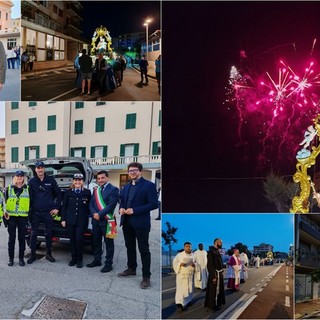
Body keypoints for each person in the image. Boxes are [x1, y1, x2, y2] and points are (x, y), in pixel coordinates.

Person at [118, 162, 158, 289]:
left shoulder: (148, 186)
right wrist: (121, 208)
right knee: (129, 246)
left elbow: (153, 204)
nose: (132, 172)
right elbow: (122, 202)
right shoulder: (126, 187)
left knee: (144, 250)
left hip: (141, 223)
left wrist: (135, 210)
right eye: (130, 171)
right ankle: (131, 268)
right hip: (127, 222)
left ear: (140, 171)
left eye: (135, 170)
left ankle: (146, 276)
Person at [27, 161, 63, 264]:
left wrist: (57, 208)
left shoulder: (51, 180)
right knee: (33, 234)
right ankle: (33, 255)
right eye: (38, 168)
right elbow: (27, 196)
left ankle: (48, 254)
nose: (40, 169)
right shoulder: (32, 182)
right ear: (36, 170)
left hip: (48, 213)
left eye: (42, 167)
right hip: (35, 213)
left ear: (44, 169)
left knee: (48, 233)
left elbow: (59, 194)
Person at [87, 170, 119, 273]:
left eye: (102, 178)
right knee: (96, 241)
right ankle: (97, 260)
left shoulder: (114, 189)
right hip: (96, 221)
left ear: (107, 178)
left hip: (109, 221)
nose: (100, 180)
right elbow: (91, 203)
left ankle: (108, 264)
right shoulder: (96, 189)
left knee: (109, 243)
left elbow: (111, 205)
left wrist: (99, 214)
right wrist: (94, 214)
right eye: (99, 178)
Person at [61, 173, 91, 268]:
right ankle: (73, 258)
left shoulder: (87, 192)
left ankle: (79, 259)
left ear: (82, 181)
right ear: (73, 181)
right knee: (72, 240)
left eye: (80, 180)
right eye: (76, 180)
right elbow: (64, 206)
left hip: (81, 221)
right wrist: (63, 219)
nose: (78, 182)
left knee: (79, 239)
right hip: (70, 220)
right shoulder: (68, 192)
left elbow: (90, 206)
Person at [4, 170, 30, 266]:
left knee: (21, 238)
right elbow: (5, 204)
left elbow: (31, 203)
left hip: (23, 217)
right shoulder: (9, 188)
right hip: (11, 218)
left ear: (23, 178)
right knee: (11, 238)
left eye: (21, 176)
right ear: (15, 177)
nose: (19, 178)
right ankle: (11, 259)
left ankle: (21, 259)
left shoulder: (28, 189)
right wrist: (5, 217)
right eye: (18, 176)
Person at [204, 238, 226, 310]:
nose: (221, 244)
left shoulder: (217, 251)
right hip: (215, 274)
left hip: (219, 273)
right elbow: (210, 265)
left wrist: (221, 269)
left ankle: (218, 303)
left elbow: (219, 262)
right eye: (220, 242)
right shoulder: (211, 252)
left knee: (219, 289)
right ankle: (213, 305)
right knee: (213, 290)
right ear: (216, 242)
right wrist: (213, 276)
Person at [173, 242, 195, 311]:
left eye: (189, 246)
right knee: (181, 290)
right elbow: (174, 263)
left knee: (189, 289)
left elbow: (197, 263)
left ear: (191, 247)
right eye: (186, 246)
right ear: (184, 247)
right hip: (181, 275)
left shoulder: (193, 255)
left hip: (190, 275)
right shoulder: (179, 255)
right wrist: (180, 264)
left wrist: (194, 265)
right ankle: (180, 303)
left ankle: (188, 301)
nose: (188, 247)